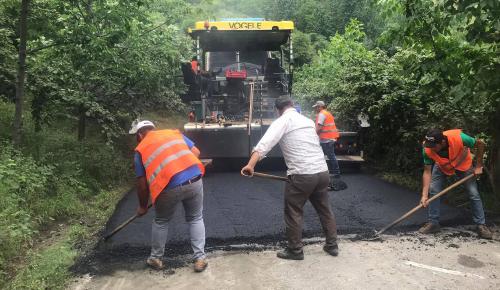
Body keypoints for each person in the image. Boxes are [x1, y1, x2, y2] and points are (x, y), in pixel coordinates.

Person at [241, 97, 339, 260]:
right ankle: (332, 246)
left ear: (277, 110)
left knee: (293, 211)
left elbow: (264, 144)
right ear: (293, 106)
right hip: (322, 172)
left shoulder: (282, 121)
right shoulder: (307, 121)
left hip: (302, 174)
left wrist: (250, 165)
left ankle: (295, 250)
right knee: (325, 209)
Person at [129, 120, 209, 271]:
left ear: (139, 135)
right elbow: (196, 152)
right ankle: (200, 258)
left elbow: (142, 183)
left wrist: (142, 206)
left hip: (167, 189)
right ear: (153, 129)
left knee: (161, 221)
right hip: (194, 181)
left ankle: (156, 258)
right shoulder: (173, 133)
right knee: (196, 217)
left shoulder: (140, 149)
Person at [419, 128, 492, 239]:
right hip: (442, 166)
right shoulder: (427, 148)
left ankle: (481, 225)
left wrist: (478, 165)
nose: (431, 148)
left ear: (442, 142)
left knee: (473, 193)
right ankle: (433, 223)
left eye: (434, 146)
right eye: (429, 145)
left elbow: (480, 144)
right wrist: (424, 196)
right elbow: (427, 171)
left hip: (463, 164)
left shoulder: (459, 137)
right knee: (433, 190)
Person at [313, 101, 341, 178]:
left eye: (316, 107)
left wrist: (313, 134)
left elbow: (319, 127)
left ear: (320, 107)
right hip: (329, 138)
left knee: (330, 156)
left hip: (327, 139)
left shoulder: (322, 114)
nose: (315, 108)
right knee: (330, 155)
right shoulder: (327, 113)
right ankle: (333, 172)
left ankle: (336, 173)